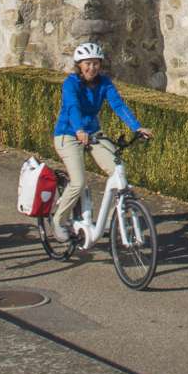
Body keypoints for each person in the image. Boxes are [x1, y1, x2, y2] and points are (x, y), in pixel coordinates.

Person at [52, 42, 150, 242]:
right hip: (68, 134)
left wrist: (137, 127)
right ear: (79, 65)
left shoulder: (104, 83)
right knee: (78, 182)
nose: (92, 68)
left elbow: (118, 105)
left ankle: (112, 220)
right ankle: (58, 220)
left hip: (93, 133)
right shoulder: (71, 83)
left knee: (118, 170)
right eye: (87, 63)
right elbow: (72, 107)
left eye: (96, 63)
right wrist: (79, 129)